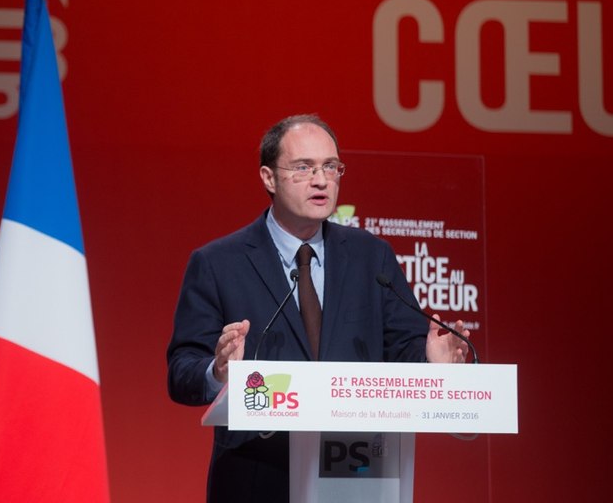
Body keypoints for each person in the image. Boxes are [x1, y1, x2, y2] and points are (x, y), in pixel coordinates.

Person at [166, 114, 470, 503]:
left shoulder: (371, 257)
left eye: (331, 166)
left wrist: (432, 363)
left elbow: (403, 347)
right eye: (303, 167)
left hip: (355, 474)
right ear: (269, 178)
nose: (321, 180)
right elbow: (182, 371)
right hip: (258, 480)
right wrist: (218, 371)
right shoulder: (218, 263)